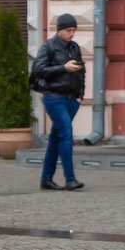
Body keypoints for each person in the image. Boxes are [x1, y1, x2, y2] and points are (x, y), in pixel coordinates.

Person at [32, 13, 86, 191]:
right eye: (68, 30)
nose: (72, 33)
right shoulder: (48, 46)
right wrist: (64, 67)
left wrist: (80, 95)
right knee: (66, 133)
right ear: (60, 30)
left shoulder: (74, 47)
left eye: (74, 30)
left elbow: (81, 71)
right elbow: (38, 69)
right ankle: (70, 179)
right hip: (53, 97)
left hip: (72, 99)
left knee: (56, 138)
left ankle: (46, 179)